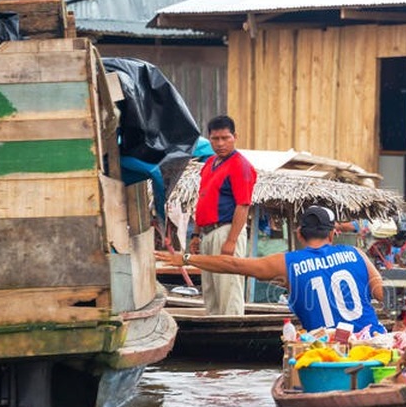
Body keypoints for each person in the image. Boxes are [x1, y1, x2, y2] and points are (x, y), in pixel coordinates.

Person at [159, 205, 386, 335]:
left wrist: (187, 258)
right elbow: (386, 295)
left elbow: (234, 265)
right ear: (332, 234)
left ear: (299, 234)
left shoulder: (286, 263)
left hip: (326, 350)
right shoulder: (357, 254)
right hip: (372, 340)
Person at [190, 115, 257, 315]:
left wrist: (231, 241)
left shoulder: (240, 165)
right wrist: (195, 234)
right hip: (208, 232)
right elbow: (202, 200)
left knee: (228, 289)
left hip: (226, 230)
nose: (220, 143)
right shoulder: (210, 162)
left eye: (225, 138)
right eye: (215, 139)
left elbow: (243, 205)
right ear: (209, 139)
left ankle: (234, 333)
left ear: (235, 137)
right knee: (211, 292)